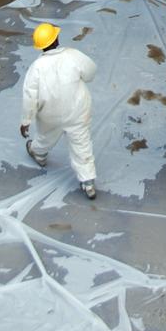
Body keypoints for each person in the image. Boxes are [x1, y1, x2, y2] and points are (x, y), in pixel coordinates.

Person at [21, 23, 97, 199]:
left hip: (50, 115)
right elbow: (91, 71)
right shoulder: (73, 55)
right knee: (81, 145)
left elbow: (29, 97)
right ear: (56, 38)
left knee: (45, 137)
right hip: (77, 111)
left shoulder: (37, 67)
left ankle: (38, 154)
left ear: (39, 46)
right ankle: (88, 182)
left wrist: (26, 121)